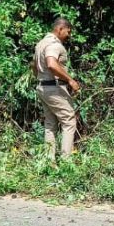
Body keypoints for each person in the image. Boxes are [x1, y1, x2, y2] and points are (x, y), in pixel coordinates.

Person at [33, 17, 81, 159]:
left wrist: (42, 78)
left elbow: (34, 66)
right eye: (68, 31)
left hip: (42, 87)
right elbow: (52, 64)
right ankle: (66, 161)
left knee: (50, 124)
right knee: (69, 121)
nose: (69, 35)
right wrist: (70, 80)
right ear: (60, 29)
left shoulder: (40, 44)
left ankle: (49, 161)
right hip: (53, 88)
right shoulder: (54, 45)